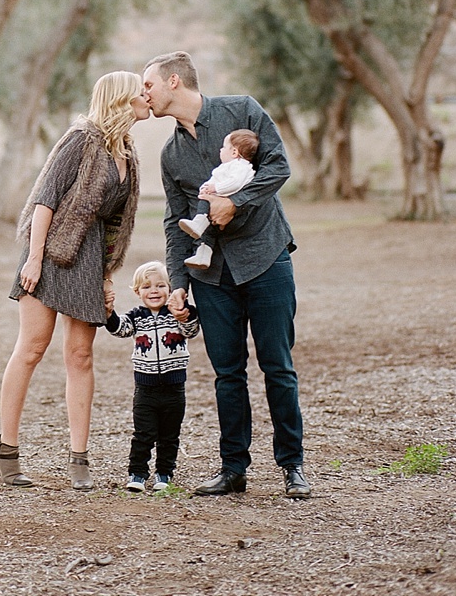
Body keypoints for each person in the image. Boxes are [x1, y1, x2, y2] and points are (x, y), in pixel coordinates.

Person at [142, 51, 311, 500]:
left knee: (278, 366)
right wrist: (178, 282)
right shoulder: (170, 153)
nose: (145, 95)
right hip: (212, 278)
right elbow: (175, 220)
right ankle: (234, 468)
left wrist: (237, 202)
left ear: (174, 81)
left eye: (149, 86)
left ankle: (292, 466)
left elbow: (278, 166)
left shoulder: (243, 110)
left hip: (266, 258)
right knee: (227, 375)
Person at [0, 71, 149, 491]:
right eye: (141, 92)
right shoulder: (80, 139)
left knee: (80, 356)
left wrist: (105, 276)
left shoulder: (128, 153)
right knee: (31, 349)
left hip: (89, 258)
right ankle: (6, 449)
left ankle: (79, 458)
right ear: (121, 100)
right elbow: (45, 200)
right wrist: (35, 259)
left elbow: (116, 224)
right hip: (49, 251)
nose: (147, 98)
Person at [105, 260, 199, 493]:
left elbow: (192, 331)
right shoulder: (137, 317)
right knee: (143, 434)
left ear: (170, 288)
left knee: (169, 435)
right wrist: (109, 314)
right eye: (146, 287)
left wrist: (185, 315)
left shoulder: (177, 313)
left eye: (160, 286)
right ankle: (137, 473)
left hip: (174, 387)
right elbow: (120, 329)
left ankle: (164, 474)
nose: (154, 291)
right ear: (137, 292)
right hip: (145, 389)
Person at [179, 129, 259, 270]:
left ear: (234, 152)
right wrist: (206, 187)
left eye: (224, 147)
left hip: (223, 199)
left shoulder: (240, 166)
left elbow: (234, 183)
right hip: (216, 197)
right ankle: (203, 254)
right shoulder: (229, 166)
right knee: (209, 232)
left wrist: (215, 188)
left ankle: (199, 221)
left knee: (204, 204)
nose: (220, 150)